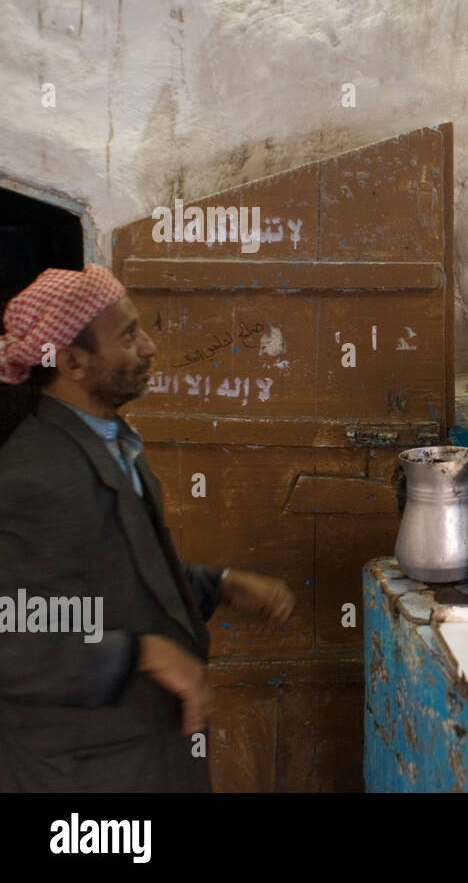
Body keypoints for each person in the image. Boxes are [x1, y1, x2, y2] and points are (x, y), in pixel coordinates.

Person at [0, 264, 294, 791]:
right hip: (84, 774)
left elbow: (113, 576)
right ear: (71, 361)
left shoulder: (109, 445)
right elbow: (15, 641)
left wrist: (219, 584)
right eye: (129, 334)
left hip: (141, 754)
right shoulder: (33, 478)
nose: (150, 346)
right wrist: (143, 652)